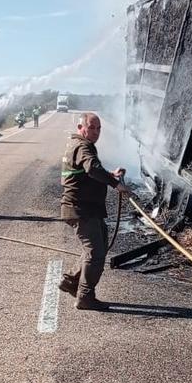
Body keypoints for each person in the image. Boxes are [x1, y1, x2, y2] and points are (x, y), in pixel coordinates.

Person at [58, 112, 130, 310]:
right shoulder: (82, 146)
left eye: (99, 128)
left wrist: (109, 174)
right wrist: (116, 184)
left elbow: (88, 171)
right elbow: (91, 168)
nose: (96, 132)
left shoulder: (81, 145)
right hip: (81, 209)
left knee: (100, 246)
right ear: (81, 128)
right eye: (92, 128)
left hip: (89, 208)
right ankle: (85, 297)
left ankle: (72, 281)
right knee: (95, 253)